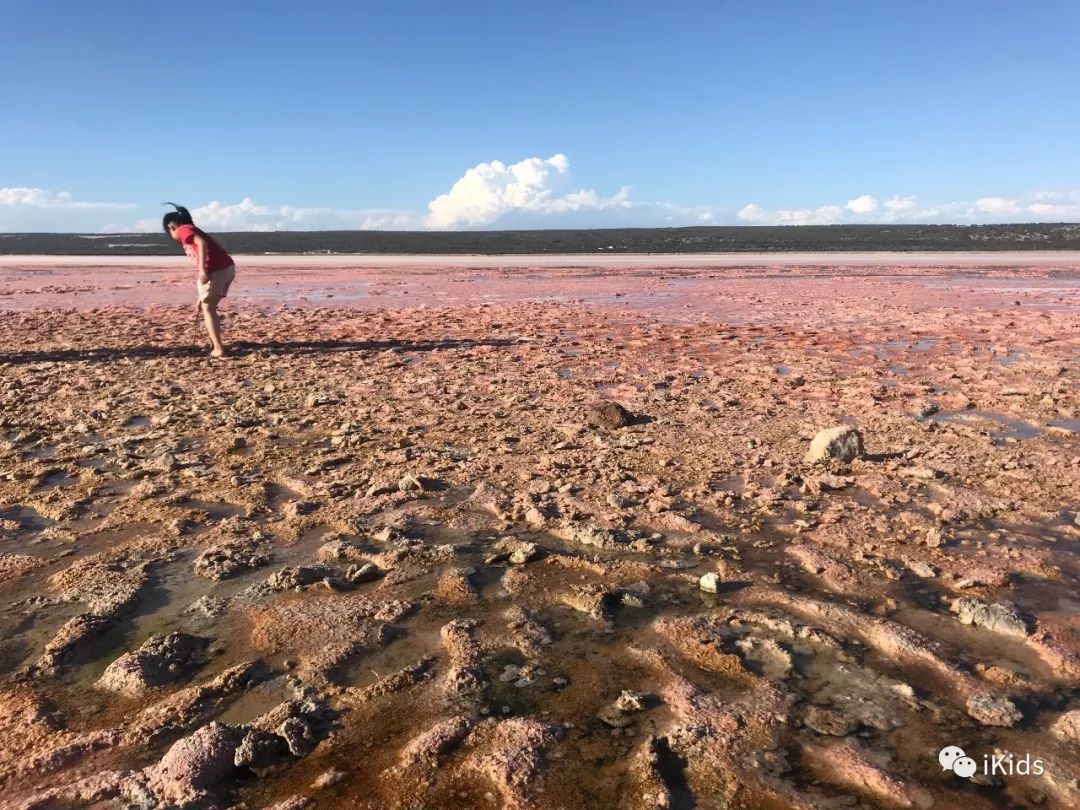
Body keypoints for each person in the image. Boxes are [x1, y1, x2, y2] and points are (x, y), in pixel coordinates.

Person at [162, 203, 236, 358]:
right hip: (223, 268)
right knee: (205, 305)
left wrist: (202, 269)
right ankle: (215, 344)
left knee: (208, 309)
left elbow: (202, 243)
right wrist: (200, 296)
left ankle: (218, 348)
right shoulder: (187, 230)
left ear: (171, 227)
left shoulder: (183, 230)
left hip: (218, 269)